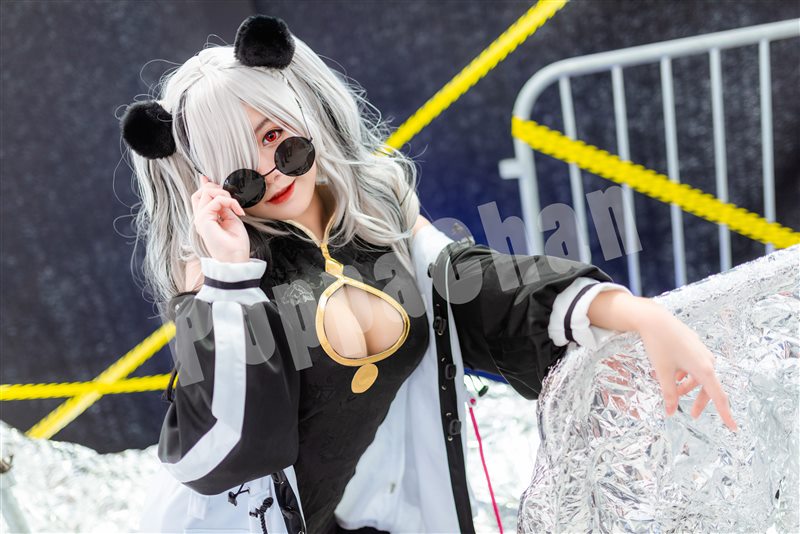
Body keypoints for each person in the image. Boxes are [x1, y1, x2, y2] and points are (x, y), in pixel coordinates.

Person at [120, 15, 738, 534]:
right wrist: (228, 280)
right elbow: (219, 454)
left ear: (304, 109)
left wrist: (630, 311)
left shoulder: (379, 215)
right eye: (236, 169)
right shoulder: (222, 280)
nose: (270, 171)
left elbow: (474, 288)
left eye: (275, 137)